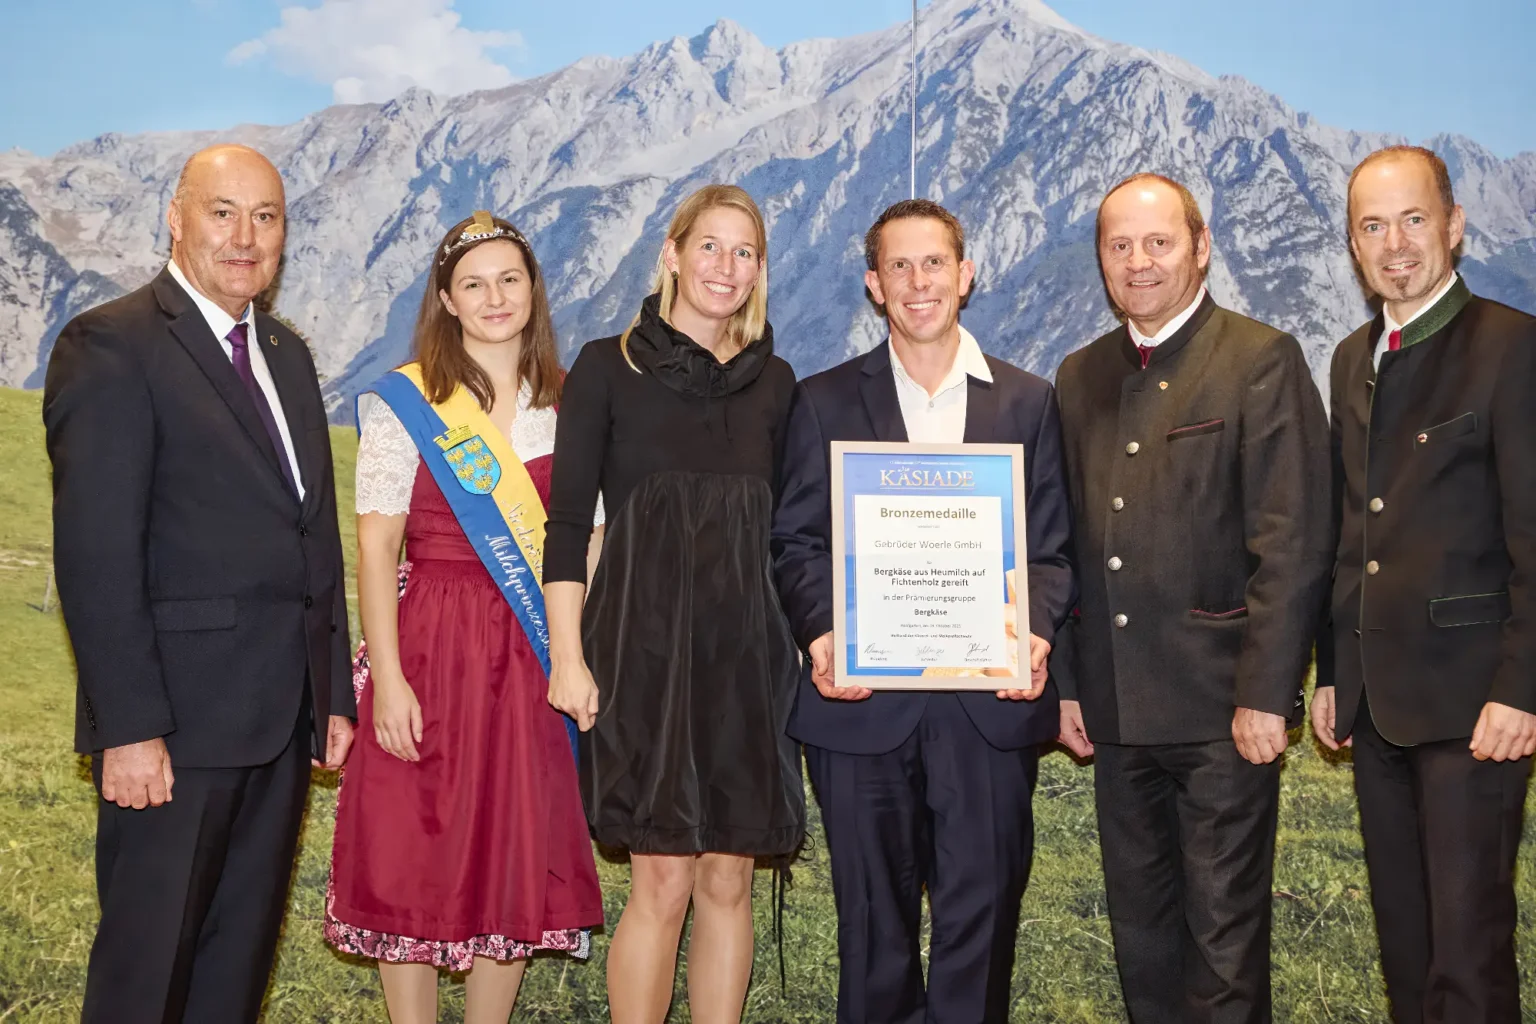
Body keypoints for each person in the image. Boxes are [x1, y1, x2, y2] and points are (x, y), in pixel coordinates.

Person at [42, 143, 356, 1024]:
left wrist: (329, 692)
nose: (245, 236)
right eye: (224, 212)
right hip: (173, 735)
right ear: (175, 218)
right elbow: (96, 556)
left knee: (233, 973)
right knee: (147, 980)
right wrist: (130, 729)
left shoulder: (289, 355)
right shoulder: (111, 345)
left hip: (280, 723)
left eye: (267, 217)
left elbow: (312, 532)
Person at [771, 198, 1075, 1024]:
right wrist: (824, 633)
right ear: (874, 285)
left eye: (933, 263)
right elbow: (795, 542)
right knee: (873, 931)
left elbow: (1052, 552)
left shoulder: (1029, 402)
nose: (917, 282)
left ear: (966, 275)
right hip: (861, 711)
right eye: (897, 266)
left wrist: (1034, 635)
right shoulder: (823, 400)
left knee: (983, 924)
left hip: (987, 708)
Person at [1052, 173, 1331, 1023]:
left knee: (1223, 950)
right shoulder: (1080, 373)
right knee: (1142, 942)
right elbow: (1057, 543)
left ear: (1201, 247)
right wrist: (1068, 686)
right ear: (1101, 260)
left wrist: (1265, 694)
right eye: (1120, 246)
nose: (1139, 262)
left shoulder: (1260, 358)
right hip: (1115, 712)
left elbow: (1294, 542)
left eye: (1159, 242)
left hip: (1222, 714)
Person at [324, 212, 604, 1023]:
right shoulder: (407, 403)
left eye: (509, 280)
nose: (494, 298)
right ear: (446, 298)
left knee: (510, 845)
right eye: (474, 284)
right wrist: (390, 679)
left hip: (529, 644)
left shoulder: (569, 402)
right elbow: (376, 549)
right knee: (414, 846)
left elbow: (586, 539)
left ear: (533, 290)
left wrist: (572, 650)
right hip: (430, 642)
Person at [543, 184, 804, 1024]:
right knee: (660, 875)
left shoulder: (779, 383)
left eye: (744, 252)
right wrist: (569, 656)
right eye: (710, 247)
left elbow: (798, 534)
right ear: (673, 252)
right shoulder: (602, 366)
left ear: (760, 269)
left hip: (747, 657)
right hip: (639, 650)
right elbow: (567, 523)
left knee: (729, 873)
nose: (725, 267)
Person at [1313, 145, 1536, 1024]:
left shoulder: (1514, 348)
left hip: (1475, 708)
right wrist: (1332, 670)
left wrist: (1522, 688)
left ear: (1454, 226)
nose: (1394, 244)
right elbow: (1347, 532)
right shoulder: (1350, 358)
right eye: (1372, 226)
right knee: (1406, 951)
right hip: (1374, 705)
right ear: (1353, 244)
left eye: (1413, 220)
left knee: (1469, 958)